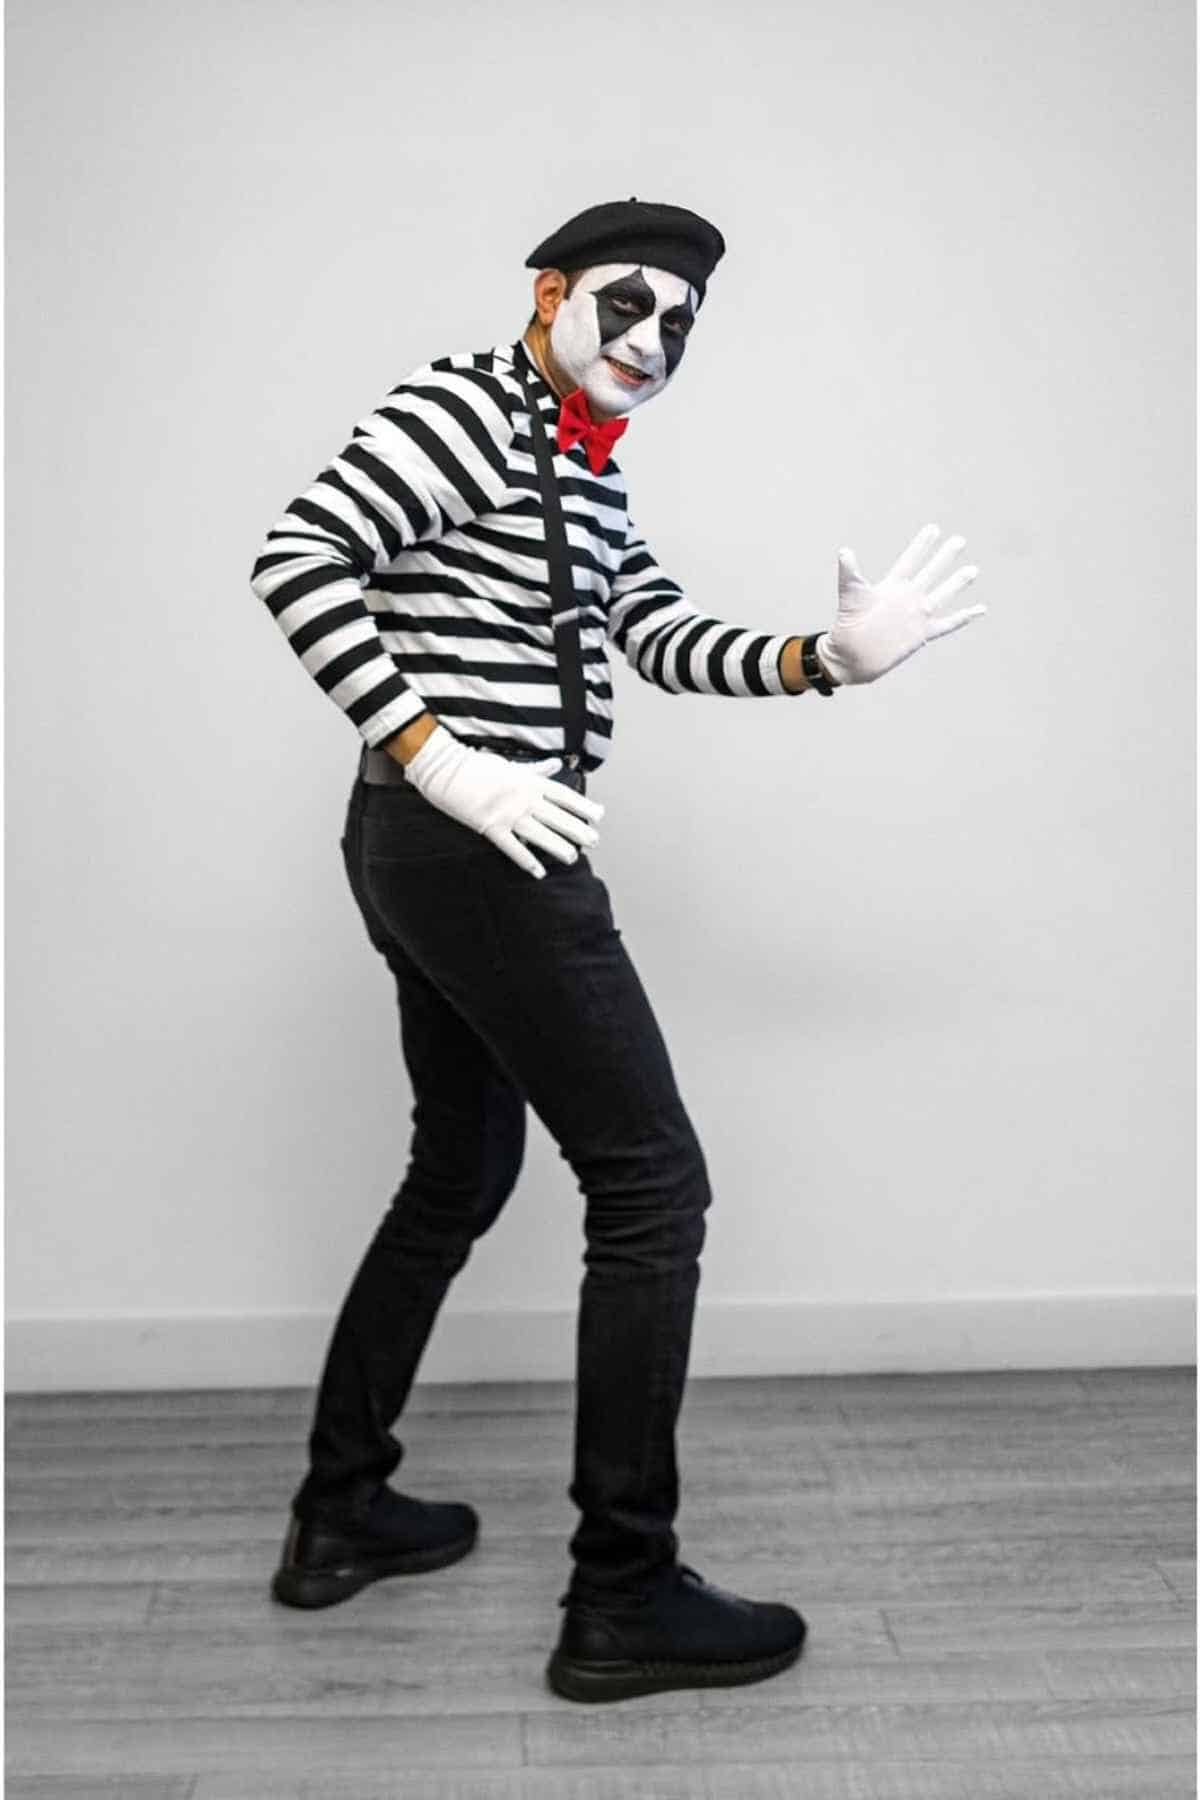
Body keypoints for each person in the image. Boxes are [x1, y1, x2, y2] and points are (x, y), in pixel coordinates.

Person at [247, 197, 986, 1704]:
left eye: (679, 326)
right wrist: (446, 759)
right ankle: (623, 1594)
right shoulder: (465, 407)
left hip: (425, 849)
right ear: (550, 293)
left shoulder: (586, 468)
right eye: (628, 304)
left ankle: (341, 1513)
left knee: (461, 1168)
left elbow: (655, 635)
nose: (651, 342)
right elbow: (299, 557)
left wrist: (828, 660)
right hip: (474, 848)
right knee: (654, 1189)